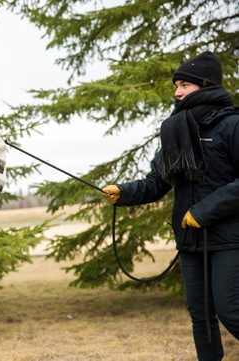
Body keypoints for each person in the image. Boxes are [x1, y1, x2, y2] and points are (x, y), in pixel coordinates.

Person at [102, 51, 239, 361]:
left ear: (205, 87)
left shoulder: (232, 125)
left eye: (185, 86)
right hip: (191, 242)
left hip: (230, 240)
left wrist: (204, 212)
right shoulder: (176, 130)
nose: (177, 92)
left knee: (231, 312)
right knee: (201, 317)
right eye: (176, 85)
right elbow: (156, 182)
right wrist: (122, 192)